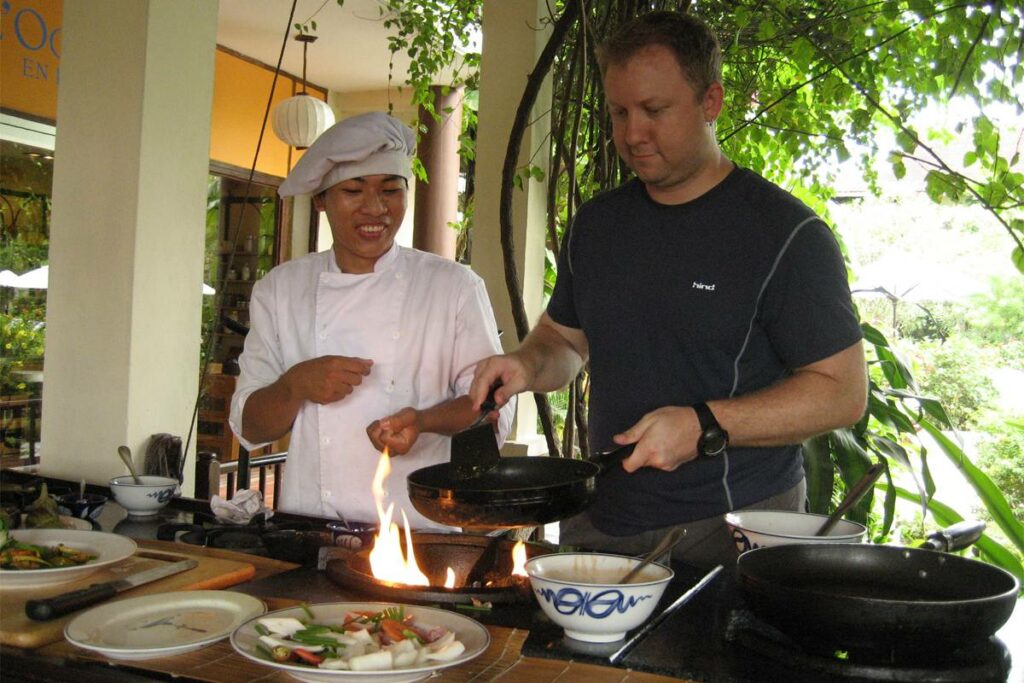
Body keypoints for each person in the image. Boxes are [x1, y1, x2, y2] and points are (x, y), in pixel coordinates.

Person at [469, 11, 867, 569]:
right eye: (619, 112)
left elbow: (841, 393)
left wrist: (704, 424)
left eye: (655, 110)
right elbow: (565, 340)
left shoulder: (785, 235)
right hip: (599, 518)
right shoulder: (599, 224)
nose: (633, 133)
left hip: (729, 530)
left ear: (711, 102)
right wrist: (526, 365)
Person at [230, 111, 514, 526]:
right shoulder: (281, 289)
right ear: (322, 199)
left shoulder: (452, 286)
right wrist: (295, 385)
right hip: (313, 524)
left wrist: (423, 420)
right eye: (353, 190)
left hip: (420, 527)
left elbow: (491, 406)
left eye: (390, 190)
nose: (376, 208)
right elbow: (251, 426)